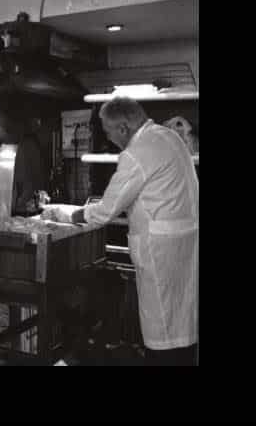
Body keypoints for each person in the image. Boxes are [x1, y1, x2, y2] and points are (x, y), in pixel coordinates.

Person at [45, 97, 199, 366]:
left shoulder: (136, 153)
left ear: (124, 128)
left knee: (162, 333)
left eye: (108, 132)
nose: (109, 138)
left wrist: (68, 214)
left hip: (160, 253)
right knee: (183, 326)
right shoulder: (169, 137)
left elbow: (106, 211)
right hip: (185, 245)